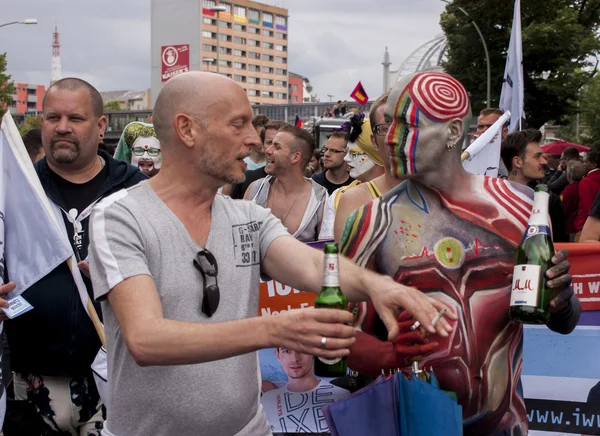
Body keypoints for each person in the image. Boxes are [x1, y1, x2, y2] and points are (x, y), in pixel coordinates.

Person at [87, 72, 456, 436]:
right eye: (238, 124)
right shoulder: (120, 216)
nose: (254, 140)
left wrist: (380, 287)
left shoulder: (247, 216)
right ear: (187, 129)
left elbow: (313, 264)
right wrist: (276, 329)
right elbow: (146, 339)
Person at [339, 72, 578, 436]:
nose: (389, 138)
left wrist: (560, 297)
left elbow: (564, 321)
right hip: (416, 424)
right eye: (387, 127)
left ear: (452, 132)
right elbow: (340, 339)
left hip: (507, 424)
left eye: (406, 126)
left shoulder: (520, 207)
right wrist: (390, 355)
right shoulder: (371, 223)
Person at [4, 78, 147, 435]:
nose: (62, 127)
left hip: (115, 384)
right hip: (28, 388)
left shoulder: (138, 192)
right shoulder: (17, 191)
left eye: (76, 118)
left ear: (101, 127)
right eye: (52, 117)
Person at [333, 93, 398, 243]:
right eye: (386, 128)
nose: (396, 135)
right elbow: (344, 263)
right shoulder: (349, 200)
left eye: (407, 125)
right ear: (374, 142)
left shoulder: (441, 195)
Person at [245, 125, 327, 242]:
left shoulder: (320, 200)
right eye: (270, 144)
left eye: (277, 147)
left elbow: (324, 250)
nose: (267, 150)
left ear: (295, 157)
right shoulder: (255, 190)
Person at [319, 113, 384, 240]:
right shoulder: (338, 197)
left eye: (354, 153)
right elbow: (329, 247)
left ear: (374, 153)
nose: (346, 158)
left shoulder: (405, 193)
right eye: (346, 151)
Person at [501, 129, 569, 242]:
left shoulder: (550, 201)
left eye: (542, 156)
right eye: (537, 156)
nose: (544, 161)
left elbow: (560, 245)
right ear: (517, 162)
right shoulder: (492, 195)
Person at [261, 348, 349, 433]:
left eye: (302, 350)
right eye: (286, 351)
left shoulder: (341, 396)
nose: (294, 359)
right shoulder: (266, 399)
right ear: (277, 355)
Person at [226, 120, 286, 199]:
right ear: (262, 146)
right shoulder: (246, 179)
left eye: (278, 144)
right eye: (269, 142)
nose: (272, 149)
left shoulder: (297, 183)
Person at [475, 107, 510, 178]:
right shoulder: (464, 157)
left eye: (491, 127)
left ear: (504, 132)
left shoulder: (514, 159)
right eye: (480, 126)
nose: (484, 130)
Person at [575, 150, 600, 239]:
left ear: (594, 164)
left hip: (584, 226)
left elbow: (587, 207)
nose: (583, 164)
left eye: (586, 162)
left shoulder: (586, 182)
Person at [561, 161, 585, 240]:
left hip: (570, 227)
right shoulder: (583, 186)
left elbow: (562, 208)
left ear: (569, 176)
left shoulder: (568, 190)